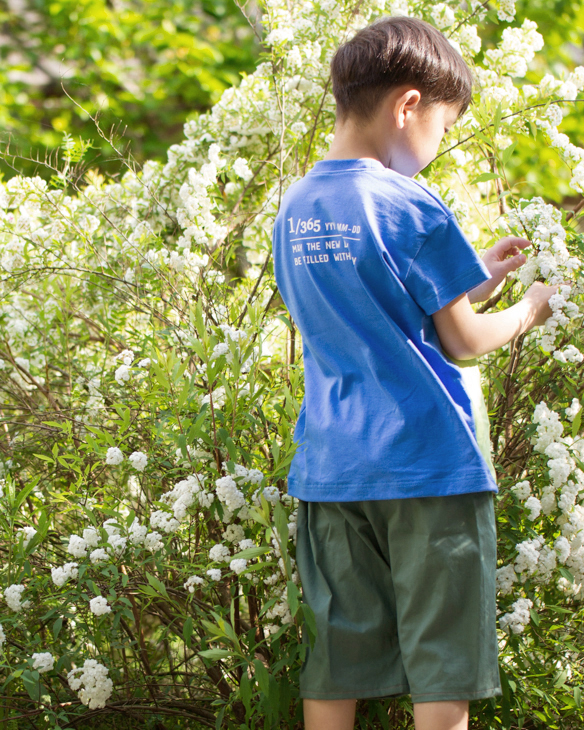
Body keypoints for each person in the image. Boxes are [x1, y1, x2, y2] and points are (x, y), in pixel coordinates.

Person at [271, 16, 556, 730]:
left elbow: (376, 309)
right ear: (408, 105)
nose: (436, 146)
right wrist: (526, 311)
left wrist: (475, 277)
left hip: (334, 470)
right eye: (442, 125)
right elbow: (459, 342)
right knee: (442, 664)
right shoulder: (408, 202)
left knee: (336, 660)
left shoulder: (296, 209)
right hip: (431, 467)